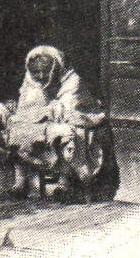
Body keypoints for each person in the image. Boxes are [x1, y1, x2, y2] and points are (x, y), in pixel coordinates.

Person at [7, 44, 108, 198]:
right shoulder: (30, 82)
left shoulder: (72, 81)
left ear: (55, 67)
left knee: (68, 133)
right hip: (46, 122)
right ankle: (20, 182)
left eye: (46, 71)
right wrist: (41, 113)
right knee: (18, 130)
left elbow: (68, 110)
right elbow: (26, 109)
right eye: (36, 72)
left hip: (80, 119)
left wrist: (44, 112)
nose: (41, 76)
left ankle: (63, 184)